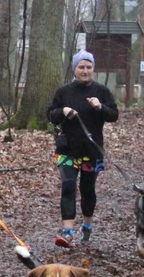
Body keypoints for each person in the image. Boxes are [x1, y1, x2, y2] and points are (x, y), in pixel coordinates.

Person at [47, 50, 119, 247]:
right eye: (81, 67)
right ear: (74, 69)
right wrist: (62, 111)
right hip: (67, 150)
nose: (85, 71)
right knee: (68, 188)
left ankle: (87, 225)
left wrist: (100, 107)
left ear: (93, 69)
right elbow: (50, 115)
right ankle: (68, 231)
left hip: (91, 151)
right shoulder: (64, 92)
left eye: (89, 67)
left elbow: (114, 115)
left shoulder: (102, 91)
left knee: (87, 190)